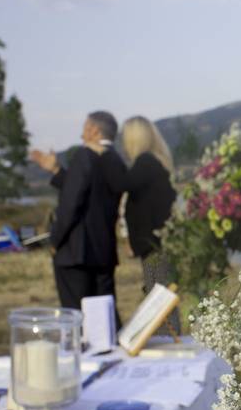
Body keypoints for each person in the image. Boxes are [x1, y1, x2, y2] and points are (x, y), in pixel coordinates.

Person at [30, 111, 131, 314]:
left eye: (85, 127)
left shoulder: (85, 155)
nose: (81, 133)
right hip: (103, 251)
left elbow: (72, 202)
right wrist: (57, 171)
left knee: (77, 316)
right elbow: (93, 195)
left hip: (77, 251)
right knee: (105, 316)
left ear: (94, 130)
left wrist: (55, 240)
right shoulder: (115, 160)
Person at [118, 116, 180, 332]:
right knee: (161, 294)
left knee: (159, 298)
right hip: (161, 242)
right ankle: (169, 337)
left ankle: (168, 342)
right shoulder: (157, 162)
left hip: (154, 245)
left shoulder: (144, 163)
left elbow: (120, 184)